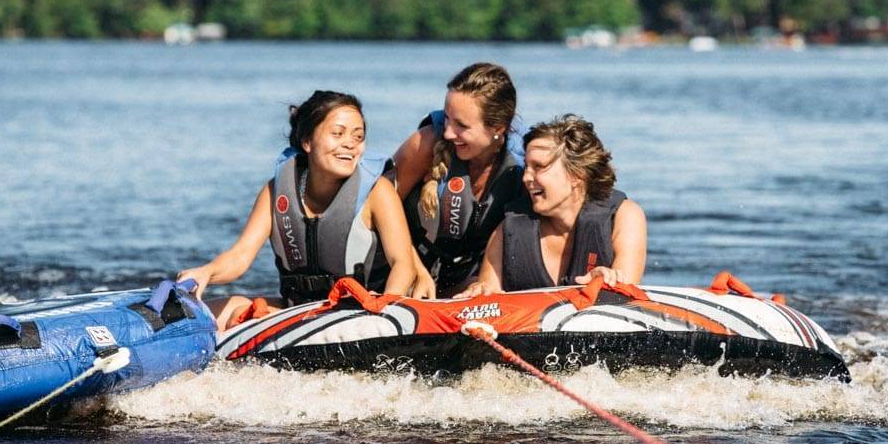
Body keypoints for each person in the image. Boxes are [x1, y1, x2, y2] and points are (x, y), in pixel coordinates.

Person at [178, 90, 416, 329]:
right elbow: (240, 256)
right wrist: (206, 273)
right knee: (214, 312)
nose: (350, 144)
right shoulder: (276, 191)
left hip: (361, 310)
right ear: (307, 142)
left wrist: (383, 308)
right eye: (338, 133)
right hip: (298, 309)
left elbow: (403, 264)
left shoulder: (377, 192)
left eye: (359, 136)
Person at [459, 115, 646, 295]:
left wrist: (609, 284)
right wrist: (480, 291)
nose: (525, 177)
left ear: (577, 174)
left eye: (539, 167)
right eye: (526, 167)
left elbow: (626, 293)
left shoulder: (624, 217)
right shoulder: (507, 231)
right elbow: (486, 301)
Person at [391, 63, 527, 298]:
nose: (448, 133)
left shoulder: (523, 164)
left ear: (498, 128)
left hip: (469, 276)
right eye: (447, 119)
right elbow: (381, 207)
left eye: (461, 126)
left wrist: (485, 281)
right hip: (406, 264)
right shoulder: (425, 143)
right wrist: (415, 269)